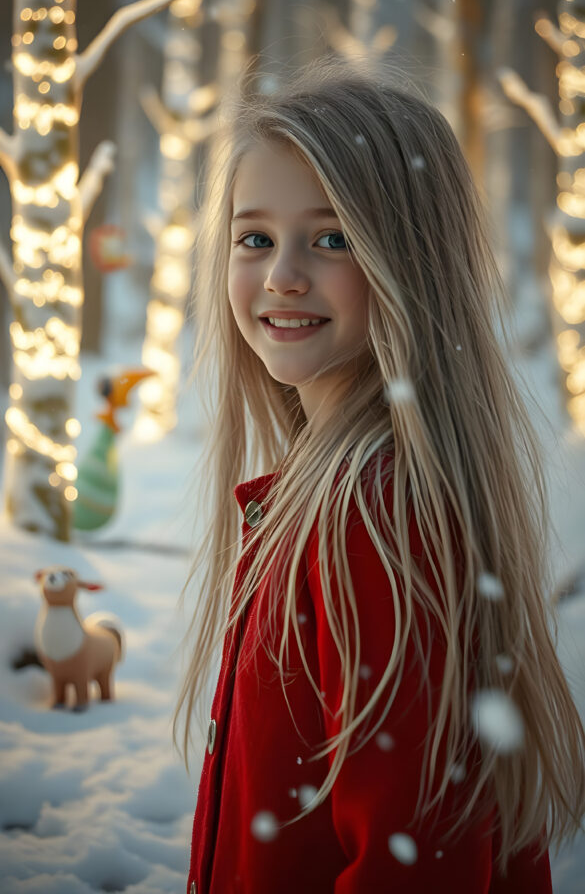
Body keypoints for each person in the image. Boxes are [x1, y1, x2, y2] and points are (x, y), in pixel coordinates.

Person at [175, 57, 585, 893]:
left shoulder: (375, 515)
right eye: (255, 238)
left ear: (411, 265)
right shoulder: (324, 492)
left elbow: (415, 861)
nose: (282, 273)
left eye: (332, 238)